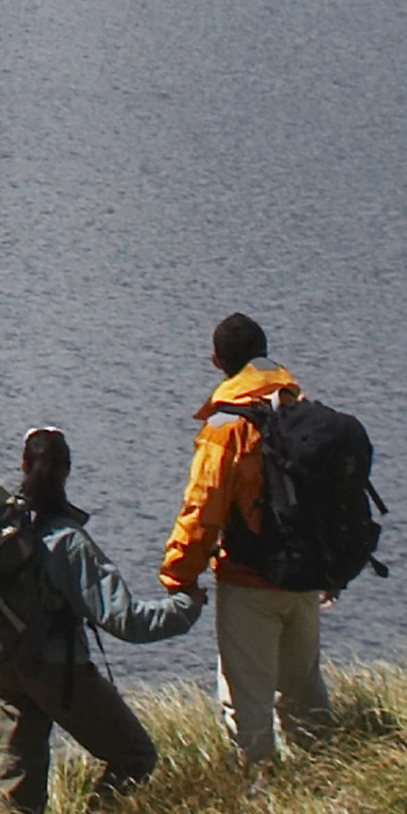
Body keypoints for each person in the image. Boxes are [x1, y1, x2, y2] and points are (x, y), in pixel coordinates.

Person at [0, 423, 201, 814]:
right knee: (135, 757)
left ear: (23, 465)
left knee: (18, 776)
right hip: (58, 673)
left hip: (3, 666)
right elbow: (126, 620)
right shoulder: (68, 542)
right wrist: (187, 606)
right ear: (67, 471)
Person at [162, 309, 334, 766]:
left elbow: (203, 509)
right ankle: (332, 779)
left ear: (217, 361)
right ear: (263, 352)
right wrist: (330, 568)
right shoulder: (300, 410)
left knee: (247, 703)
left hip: (249, 583)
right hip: (306, 576)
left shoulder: (226, 427)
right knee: (304, 691)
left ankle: (260, 803)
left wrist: (178, 576)